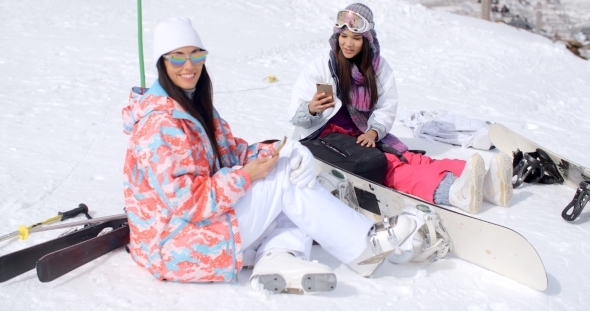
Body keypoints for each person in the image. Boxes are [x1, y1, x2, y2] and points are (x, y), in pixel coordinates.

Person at [121, 16, 416, 294]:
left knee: (290, 184)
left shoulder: (191, 105)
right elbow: (190, 202)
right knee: (284, 181)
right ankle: (363, 246)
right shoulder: (160, 125)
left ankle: (277, 257)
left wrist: (284, 149)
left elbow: (232, 151)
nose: (189, 65)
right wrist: (247, 175)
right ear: (162, 62)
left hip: (194, 233)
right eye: (178, 57)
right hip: (175, 248)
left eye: (196, 55)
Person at [288, 4, 513, 214]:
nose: (348, 44)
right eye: (343, 37)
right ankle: (455, 191)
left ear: (366, 40)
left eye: (356, 38)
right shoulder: (321, 66)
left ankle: (486, 182)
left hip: (363, 135)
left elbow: (386, 106)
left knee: (406, 157)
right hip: (325, 137)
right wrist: (311, 108)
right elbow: (296, 116)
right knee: (390, 166)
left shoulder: (377, 68)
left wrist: (374, 131)